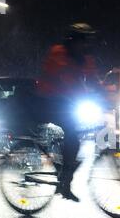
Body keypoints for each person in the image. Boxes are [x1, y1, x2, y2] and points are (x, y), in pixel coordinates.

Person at [36, 23, 100, 201]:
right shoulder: (59, 54)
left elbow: (94, 81)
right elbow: (64, 80)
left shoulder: (85, 59)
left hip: (67, 102)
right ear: (72, 41)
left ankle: (65, 175)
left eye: (87, 42)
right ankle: (65, 181)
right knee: (72, 136)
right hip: (49, 100)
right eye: (82, 42)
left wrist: (104, 98)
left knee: (74, 137)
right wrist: (79, 95)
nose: (85, 46)